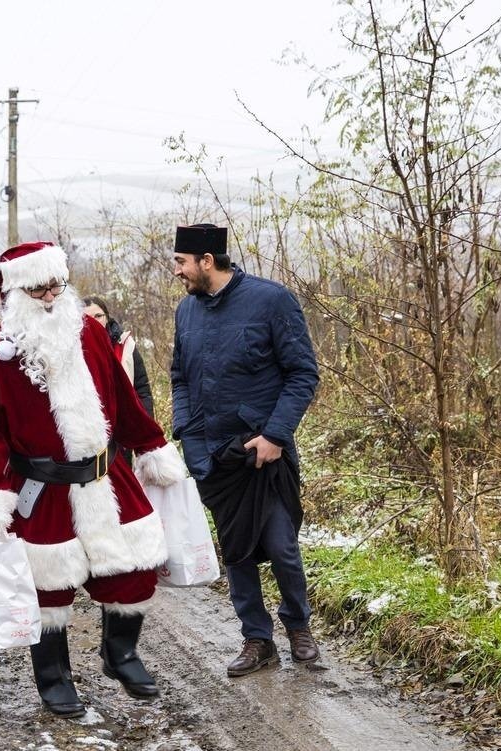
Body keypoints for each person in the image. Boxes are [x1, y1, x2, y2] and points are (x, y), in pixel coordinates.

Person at [0, 242, 186, 718]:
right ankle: (54, 677)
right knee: (48, 588)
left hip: (106, 476)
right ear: (15, 292)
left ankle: (120, 653)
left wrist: (151, 445)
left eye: (55, 286)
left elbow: (123, 401)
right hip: (42, 487)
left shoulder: (88, 331)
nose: (48, 297)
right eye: (37, 288)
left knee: (134, 569)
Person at [169, 223, 321, 677]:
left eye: (181, 262)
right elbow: (180, 377)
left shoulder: (271, 301)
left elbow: (302, 374)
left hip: (263, 455)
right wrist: (188, 436)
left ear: (206, 261)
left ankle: (299, 628)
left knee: (281, 546)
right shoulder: (186, 313)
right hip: (215, 457)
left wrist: (275, 436)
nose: (176, 270)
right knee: (236, 552)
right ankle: (257, 640)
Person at [82, 296, 154, 415]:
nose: (94, 321)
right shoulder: (74, 353)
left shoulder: (126, 346)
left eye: (98, 316)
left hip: (126, 422)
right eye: (87, 318)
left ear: (107, 317)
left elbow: (142, 389)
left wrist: (147, 420)